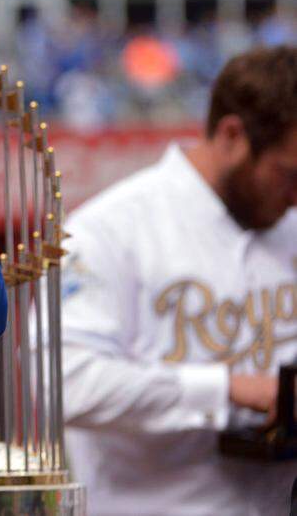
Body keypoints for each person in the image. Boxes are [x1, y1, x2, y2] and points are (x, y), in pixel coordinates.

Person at [61, 45, 297, 515]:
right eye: (289, 175)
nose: (295, 196)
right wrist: (228, 389)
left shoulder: (287, 223)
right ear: (232, 135)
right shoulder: (108, 229)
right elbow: (71, 384)